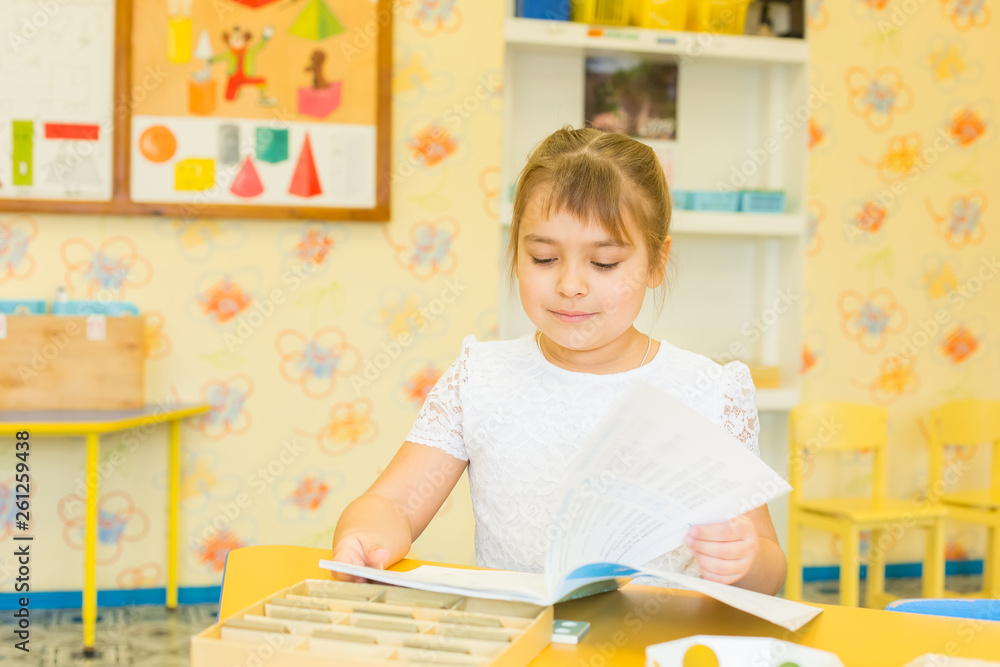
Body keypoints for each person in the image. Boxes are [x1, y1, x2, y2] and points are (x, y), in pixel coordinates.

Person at [331, 127, 787, 595]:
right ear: (516, 254)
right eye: (544, 258)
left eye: (604, 263)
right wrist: (362, 536)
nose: (571, 284)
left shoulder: (706, 393)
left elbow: (769, 570)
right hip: (519, 642)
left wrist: (744, 557)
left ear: (656, 263)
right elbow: (393, 505)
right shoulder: (480, 379)